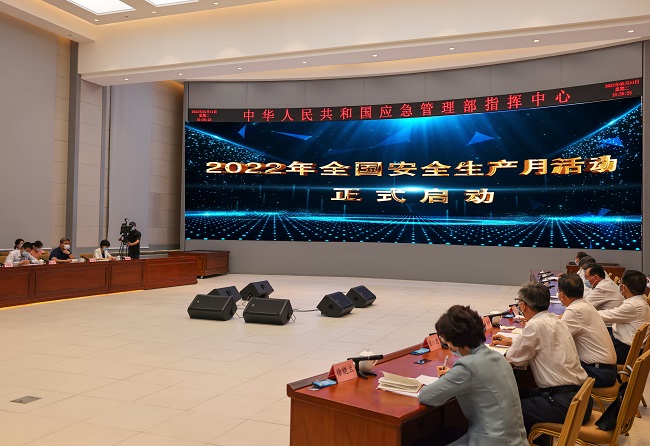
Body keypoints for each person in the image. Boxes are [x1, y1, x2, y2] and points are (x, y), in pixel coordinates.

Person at [418, 305, 528, 446]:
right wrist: (453, 375)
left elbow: (426, 396)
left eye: (447, 341)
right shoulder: (498, 357)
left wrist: (451, 377)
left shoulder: (467, 366)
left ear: (456, 342)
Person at [491, 282, 591, 434]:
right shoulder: (555, 320)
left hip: (563, 403)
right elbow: (543, 344)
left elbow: (513, 357)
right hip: (580, 398)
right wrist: (513, 341)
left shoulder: (535, 325)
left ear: (523, 305)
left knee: (502, 409)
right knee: (518, 394)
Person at [557, 274, 617, 387]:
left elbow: (555, 340)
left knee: (552, 372)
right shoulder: (585, 304)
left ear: (561, 295)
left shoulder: (573, 311)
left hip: (598, 373)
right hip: (606, 369)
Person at [598, 270, 650, 364]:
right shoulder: (637, 301)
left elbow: (609, 315)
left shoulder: (634, 305)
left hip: (625, 350)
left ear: (624, 287)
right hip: (625, 344)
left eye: (620, 283)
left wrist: (588, 313)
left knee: (589, 351)